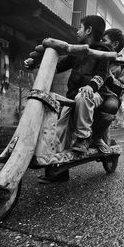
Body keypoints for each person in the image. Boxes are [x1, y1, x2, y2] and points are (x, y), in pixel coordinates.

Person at [37, 15, 113, 183]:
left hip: (95, 95)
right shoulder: (77, 51)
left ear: (89, 30)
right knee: (59, 132)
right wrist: (39, 64)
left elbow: (102, 74)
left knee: (83, 96)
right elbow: (60, 66)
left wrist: (91, 87)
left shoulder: (104, 51)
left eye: (80, 27)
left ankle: (84, 137)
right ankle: (60, 172)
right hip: (73, 97)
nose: (77, 31)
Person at [90, 28, 124, 153]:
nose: (101, 43)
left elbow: (122, 87)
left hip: (111, 95)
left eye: (104, 40)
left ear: (115, 44)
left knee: (111, 105)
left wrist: (109, 76)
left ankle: (96, 137)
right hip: (94, 89)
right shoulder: (96, 54)